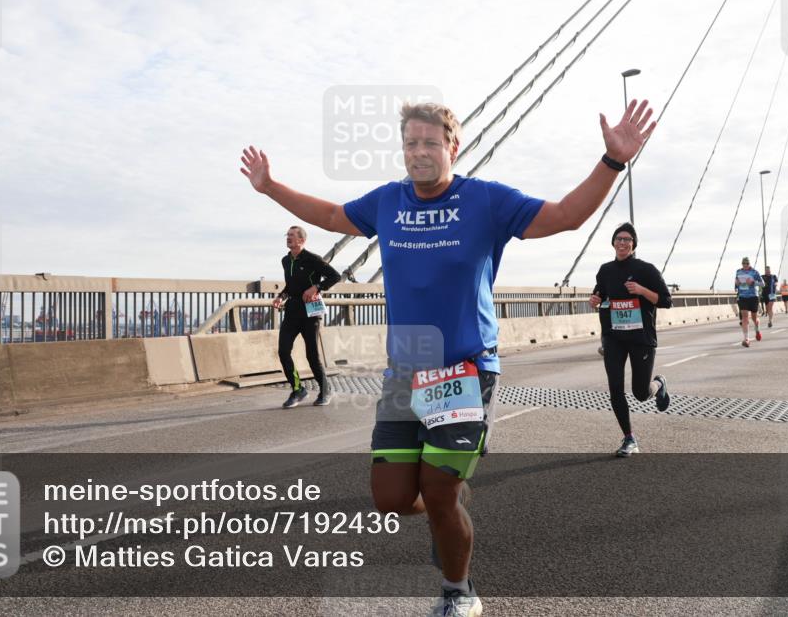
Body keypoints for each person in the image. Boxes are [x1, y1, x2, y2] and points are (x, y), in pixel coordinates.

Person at [240, 97, 655, 616]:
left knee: (437, 488)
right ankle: (447, 509)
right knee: (391, 498)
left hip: (465, 367)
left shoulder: (485, 200)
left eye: (429, 142)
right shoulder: (388, 202)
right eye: (410, 143)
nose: (418, 152)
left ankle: (459, 590)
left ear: (452, 146)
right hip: (405, 368)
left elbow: (565, 217)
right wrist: (270, 186)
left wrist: (612, 161)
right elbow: (328, 214)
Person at [589, 222, 671, 457]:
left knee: (640, 393)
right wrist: (594, 300)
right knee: (615, 388)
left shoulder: (646, 270)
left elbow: (666, 300)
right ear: (613, 243)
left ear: (634, 244)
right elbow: (600, 294)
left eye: (627, 239)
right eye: (619, 238)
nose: (622, 242)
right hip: (613, 337)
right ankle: (629, 438)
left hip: (640, 337)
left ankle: (659, 384)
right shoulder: (605, 270)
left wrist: (641, 290)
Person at [275, 225, 341, 408]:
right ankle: (298, 390)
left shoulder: (313, 259)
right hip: (292, 312)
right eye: (287, 235)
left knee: (312, 354)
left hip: (311, 313)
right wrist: (281, 297)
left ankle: (325, 390)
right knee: (283, 351)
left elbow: (335, 276)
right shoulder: (285, 261)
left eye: (292, 235)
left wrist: (316, 287)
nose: (288, 238)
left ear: (301, 240)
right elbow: (290, 286)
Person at [735, 257, 764, 348]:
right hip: (742, 296)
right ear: (742, 264)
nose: (745, 265)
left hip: (753, 297)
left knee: (754, 318)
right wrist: (737, 283)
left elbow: (762, 284)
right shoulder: (738, 272)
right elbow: (736, 283)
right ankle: (746, 339)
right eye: (743, 264)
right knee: (744, 317)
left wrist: (753, 282)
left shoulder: (755, 272)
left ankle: (757, 330)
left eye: (747, 264)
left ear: (749, 264)